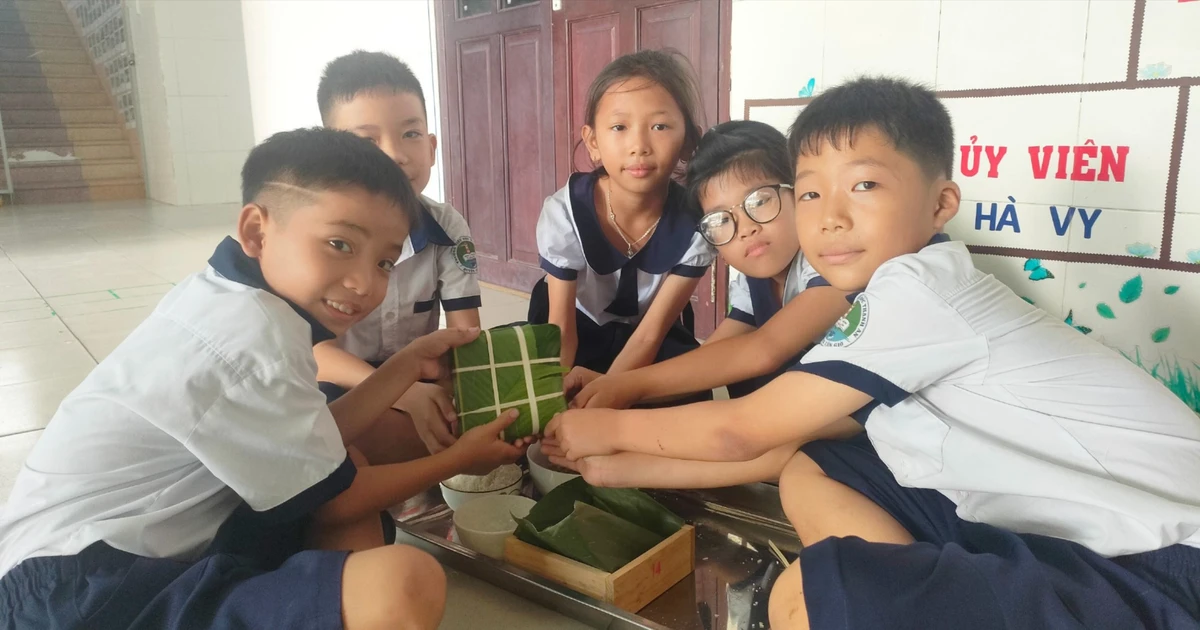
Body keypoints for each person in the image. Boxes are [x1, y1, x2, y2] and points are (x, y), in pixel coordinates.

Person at [545, 77, 1200, 630]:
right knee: (814, 465)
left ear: (941, 202)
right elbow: (781, 444)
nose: (829, 216)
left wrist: (603, 421)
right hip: (1038, 524)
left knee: (804, 596)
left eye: (863, 186)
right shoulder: (885, 295)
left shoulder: (913, 292)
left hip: (1158, 562)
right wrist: (616, 464)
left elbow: (739, 427)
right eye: (810, 193)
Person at [0, 128, 524, 630]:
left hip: (106, 556)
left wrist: (407, 363)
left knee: (348, 480)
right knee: (405, 584)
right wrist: (458, 459)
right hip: (80, 596)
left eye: (386, 261)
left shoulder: (230, 296)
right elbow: (336, 498)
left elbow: (319, 444)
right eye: (340, 244)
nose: (366, 283)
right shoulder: (255, 340)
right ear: (256, 230)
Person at [569, 120, 849, 411]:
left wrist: (626, 387)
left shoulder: (832, 262)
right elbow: (710, 360)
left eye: (759, 201)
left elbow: (764, 349)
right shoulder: (753, 283)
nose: (745, 229)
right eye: (720, 220)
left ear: (801, 189)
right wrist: (609, 386)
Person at [315, 50, 482, 458]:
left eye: (410, 134)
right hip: (335, 384)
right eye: (367, 141)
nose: (395, 156)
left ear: (432, 146)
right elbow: (314, 353)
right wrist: (402, 392)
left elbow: (465, 337)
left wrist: (444, 393)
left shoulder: (447, 229)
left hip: (419, 379)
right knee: (335, 446)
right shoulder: (318, 235)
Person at [528, 50, 715, 391]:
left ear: (688, 141)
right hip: (575, 324)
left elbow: (649, 335)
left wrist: (607, 394)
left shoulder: (696, 226)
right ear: (593, 142)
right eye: (619, 127)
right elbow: (562, 330)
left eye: (659, 126)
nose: (639, 146)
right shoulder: (565, 212)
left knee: (691, 391)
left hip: (648, 335)